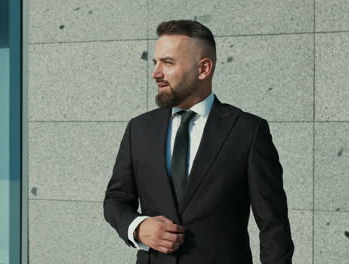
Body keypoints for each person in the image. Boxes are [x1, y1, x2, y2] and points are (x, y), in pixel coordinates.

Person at [103, 20, 294, 264]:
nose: (156, 73)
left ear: (203, 69)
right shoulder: (139, 129)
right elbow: (115, 200)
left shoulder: (248, 131)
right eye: (155, 62)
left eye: (168, 62)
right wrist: (138, 227)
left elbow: (274, 225)